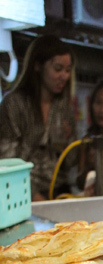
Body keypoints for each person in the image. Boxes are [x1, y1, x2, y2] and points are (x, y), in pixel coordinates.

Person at [0, 35, 77, 201]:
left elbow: (70, 163)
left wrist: (69, 140)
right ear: (37, 66)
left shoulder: (65, 107)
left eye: (68, 70)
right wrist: (33, 196)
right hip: (21, 193)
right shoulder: (14, 103)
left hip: (60, 193)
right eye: (58, 69)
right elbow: (8, 162)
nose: (64, 76)